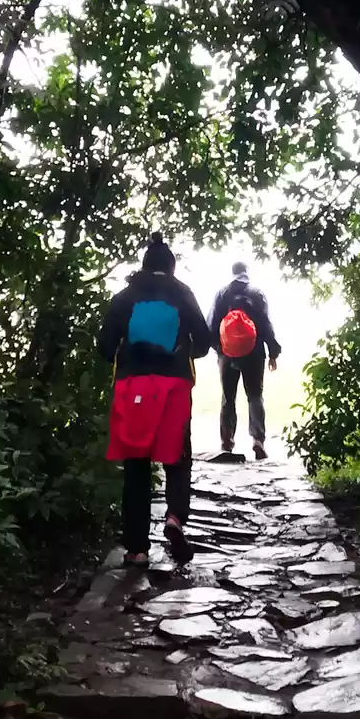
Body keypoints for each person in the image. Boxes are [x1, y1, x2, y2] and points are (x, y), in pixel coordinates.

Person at [98, 233, 210, 567]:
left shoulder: (125, 296)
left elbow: (104, 345)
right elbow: (204, 342)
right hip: (174, 386)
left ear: (144, 266)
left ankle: (136, 549)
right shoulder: (183, 294)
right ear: (171, 267)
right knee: (177, 456)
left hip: (133, 386)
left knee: (136, 464)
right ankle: (175, 517)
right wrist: (182, 350)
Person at [207, 260, 281, 461]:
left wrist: (220, 350)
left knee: (228, 397)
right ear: (246, 273)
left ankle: (226, 442)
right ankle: (258, 440)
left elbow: (211, 324)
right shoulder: (257, 294)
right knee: (255, 395)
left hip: (227, 353)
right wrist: (273, 352)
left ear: (232, 273)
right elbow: (266, 325)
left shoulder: (222, 294)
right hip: (254, 353)